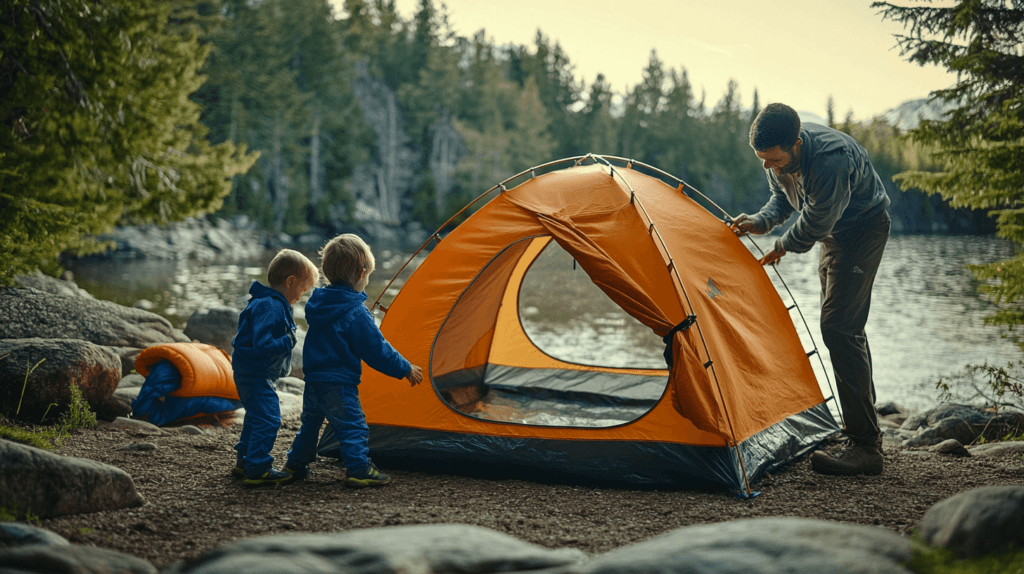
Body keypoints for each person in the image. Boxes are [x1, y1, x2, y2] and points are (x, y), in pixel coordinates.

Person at [731, 103, 891, 476]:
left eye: (772, 159)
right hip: (834, 236)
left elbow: (818, 218)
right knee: (844, 330)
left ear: (797, 145)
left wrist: (784, 245)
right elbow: (784, 200)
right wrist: (761, 222)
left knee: (839, 328)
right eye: (761, 160)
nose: (767, 166)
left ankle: (866, 448)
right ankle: (861, 433)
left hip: (863, 230)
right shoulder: (779, 156)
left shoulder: (831, 161)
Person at [284, 234, 423, 488]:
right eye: (368, 275)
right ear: (361, 274)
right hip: (339, 382)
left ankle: (294, 465)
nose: (367, 280)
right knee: (353, 425)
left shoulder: (318, 304)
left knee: (310, 425)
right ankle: (359, 468)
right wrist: (405, 368)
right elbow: (377, 350)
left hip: (313, 379)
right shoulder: (355, 312)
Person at [231, 249, 319, 487]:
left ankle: (244, 462)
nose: (302, 295)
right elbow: (263, 345)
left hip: (251, 373)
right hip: (254, 374)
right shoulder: (270, 306)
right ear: (290, 282)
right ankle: (258, 467)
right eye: (303, 289)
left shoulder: (271, 303)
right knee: (269, 418)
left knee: (255, 417)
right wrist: (288, 340)